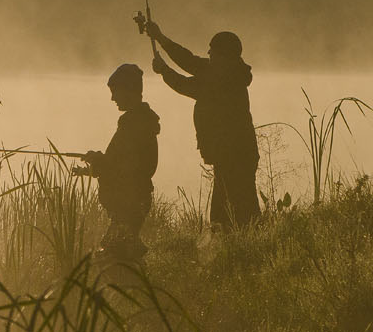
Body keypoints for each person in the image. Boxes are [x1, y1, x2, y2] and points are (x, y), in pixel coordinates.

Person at [141, 19, 260, 230]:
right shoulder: (226, 71)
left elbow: (187, 86)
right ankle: (246, 246)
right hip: (234, 154)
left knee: (229, 215)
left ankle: (238, 250)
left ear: (224, 56)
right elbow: (189, 61)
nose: (208, 54)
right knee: (241, 212)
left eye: (212, 52)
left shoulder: (225, 81)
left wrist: (164, 71)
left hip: (234, 155)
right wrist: (159, 37)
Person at [73, 63, 160, 260]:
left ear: (129, 91)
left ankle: (134, 284)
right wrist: (92, 166)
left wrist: (97, 160)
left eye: (115, 92)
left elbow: (123, 168)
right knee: (119, 250)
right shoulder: (141, 121)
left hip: (129, 202)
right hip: (136, 200)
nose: (112, 98)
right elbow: (120, 164)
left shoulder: (133, 124)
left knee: (115, 256)